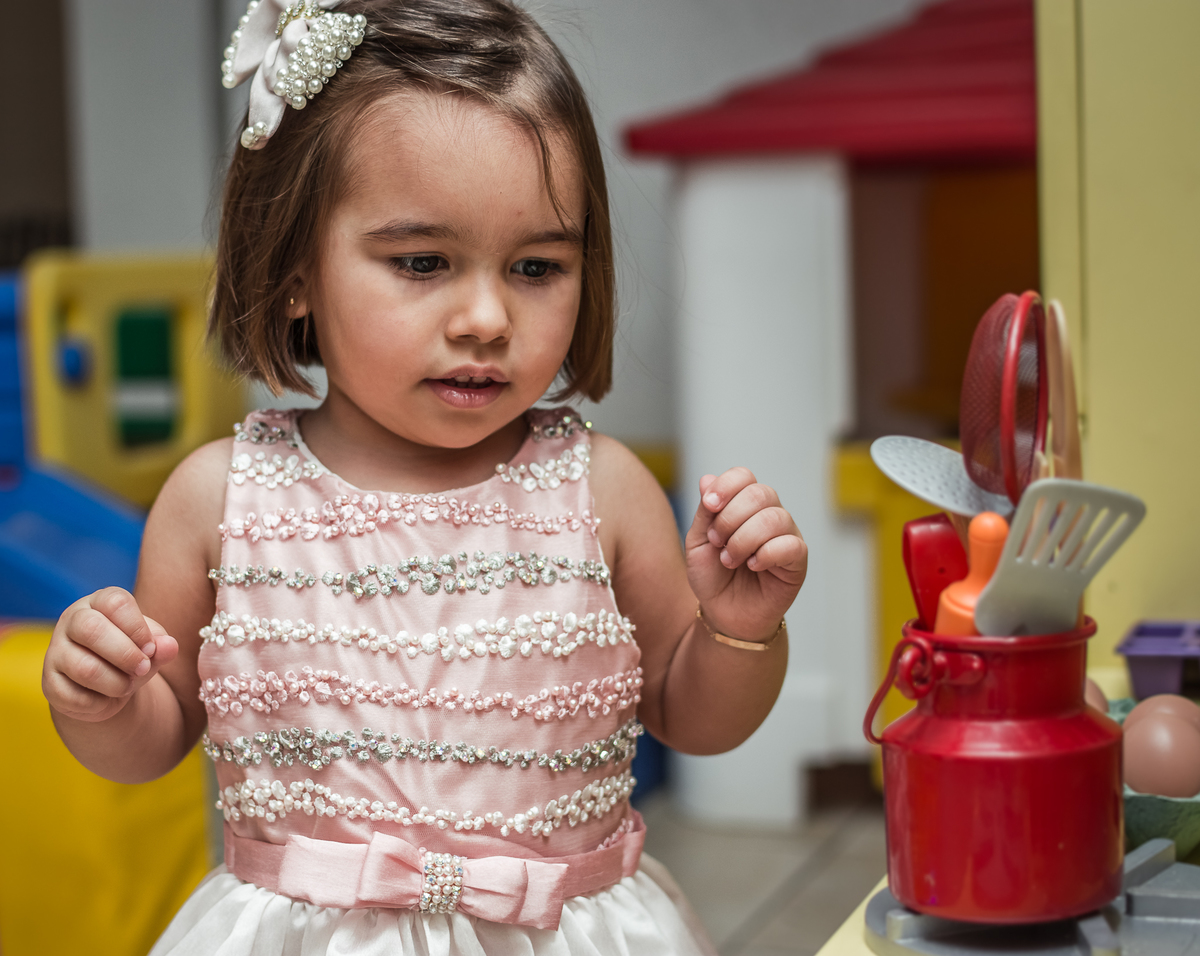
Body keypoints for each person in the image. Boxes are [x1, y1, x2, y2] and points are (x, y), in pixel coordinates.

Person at [41, 0, 808, 952]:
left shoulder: (602, 491)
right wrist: (103, 701)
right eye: (422, 261)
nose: (486, 318)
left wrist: (739, 631)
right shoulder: (216, 500)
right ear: (294, 267)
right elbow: (155, 740)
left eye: (536, 268)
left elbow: (694, 721)